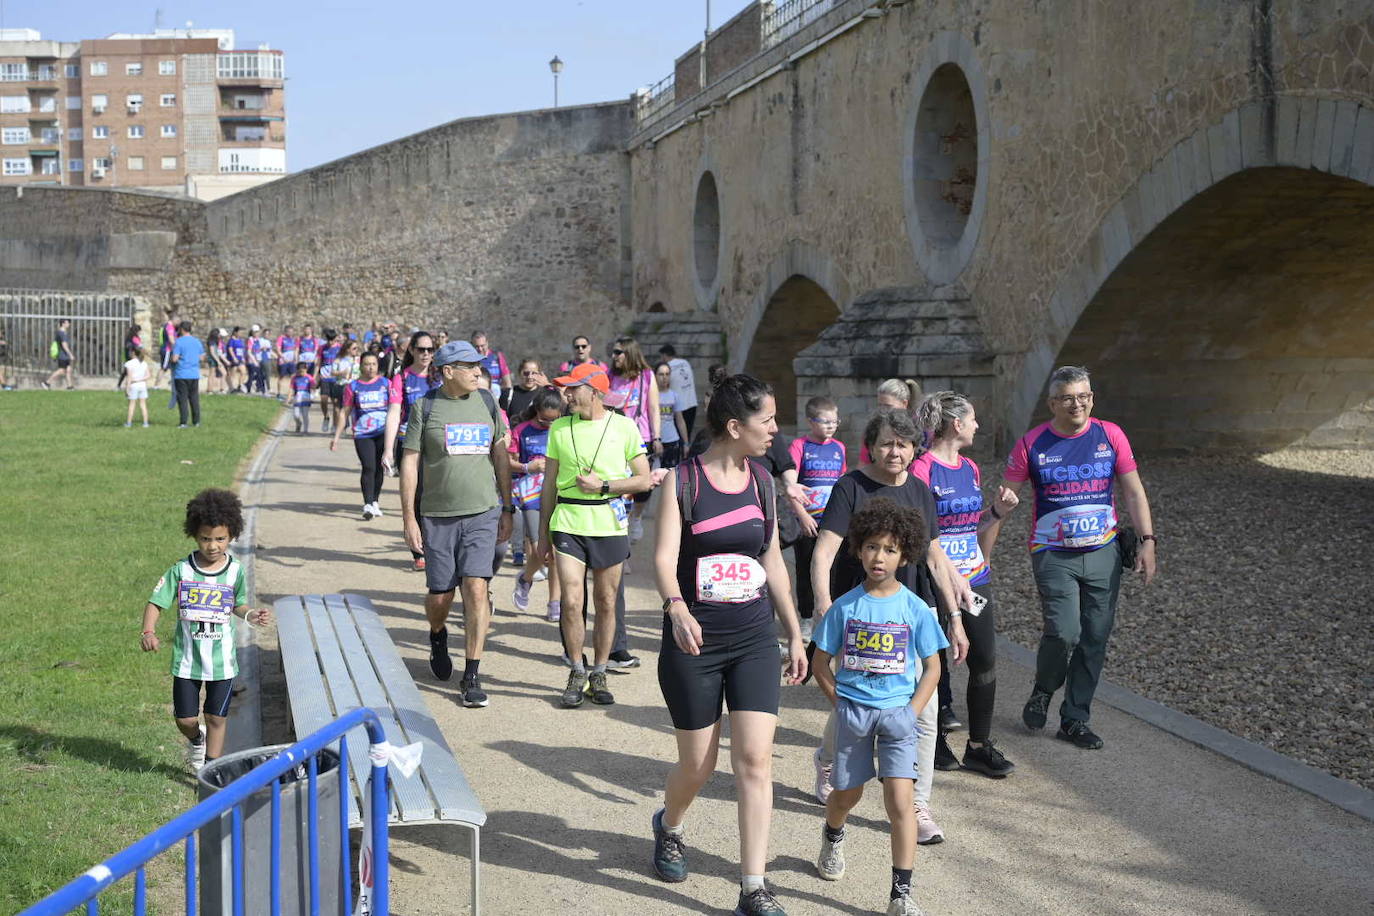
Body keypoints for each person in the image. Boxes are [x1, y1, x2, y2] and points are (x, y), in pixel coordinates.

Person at [649, 373, 806, 916]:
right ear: (735, 426)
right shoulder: (683, 481)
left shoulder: (763, 481)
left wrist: (794, 632)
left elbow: (772, 561)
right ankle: (669, 825)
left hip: (754, 636)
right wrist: (675, 608)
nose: (775, 431)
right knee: (698, 766)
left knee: (756, 761)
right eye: (767, 421)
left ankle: (753, 888)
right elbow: (665, 558)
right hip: (696, 640)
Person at [808, 408, 971, 845]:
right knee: (851, 700)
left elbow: (936, 559)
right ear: (871, 446)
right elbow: (824, 552)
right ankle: (827, 758)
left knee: (924, 712)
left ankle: (917, 803)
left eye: (902, 444)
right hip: (858, 616)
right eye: (886, 443)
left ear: (914, 447)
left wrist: (954, 618)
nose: (894, 452)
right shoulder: (850, 487)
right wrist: (823, 606)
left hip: (913, 615)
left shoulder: (920, 491)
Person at [997, 366, 1157, 750]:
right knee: (1064, 631)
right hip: (1053, 553)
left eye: (1083, 395)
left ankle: (1075, 719)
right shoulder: (1032, 443)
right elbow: (1003, 502)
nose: (1077, 403)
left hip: (1103, 552)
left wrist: (1148, 540)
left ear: (1092, 398)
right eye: (1068, 397)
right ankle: (1043, 689)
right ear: (1053, 403)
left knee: (1095, 638)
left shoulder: (1110, 435)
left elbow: (1133, 492)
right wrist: (979, 547)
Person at [811, 499, 947, 916]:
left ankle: (900, 894)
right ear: (858, 549)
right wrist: (842, 704)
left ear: (905, 554)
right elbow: (820, 664)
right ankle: (833, 835)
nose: (879, 557)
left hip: (898, 717)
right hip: (854, 713)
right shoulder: (845, 607)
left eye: (889, 549)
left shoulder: (915, 609)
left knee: (900, 802)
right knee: (846, 796)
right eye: (871, 546)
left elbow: (932, 668)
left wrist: (911, 711)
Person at [400, 340, 514, 710]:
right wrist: (408, 519)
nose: (478, 372)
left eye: (479, 366)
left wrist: (508, 506)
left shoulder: (487, 402)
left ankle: (472, 674)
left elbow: (500, 454)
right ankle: (437, 633)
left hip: (482, 512)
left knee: (477, 590)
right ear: (448, 371)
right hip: (437, 516)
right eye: (470, 367)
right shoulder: (425, 407)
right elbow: (410, 464)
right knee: (440, 597)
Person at [912, 391, 1020, 778]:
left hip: (974, 579)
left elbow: (970, 527)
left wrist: (997, 513)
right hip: (936, 580)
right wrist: (949, 576)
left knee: (984, 660)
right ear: (957, 424)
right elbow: (922, 536)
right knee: (935, 662)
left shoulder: (970, 468)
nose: (977, 426)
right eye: (973, 419)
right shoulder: (922, 468)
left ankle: (979, 746)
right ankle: (934, 740)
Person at [538, 362, 652, 707]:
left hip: (608, 523)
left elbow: (644, 480)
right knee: (572, 601)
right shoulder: (559, 428)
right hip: (568, 520)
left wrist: (603, 485)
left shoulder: (625, 426)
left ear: (595, 392)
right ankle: (576, 669)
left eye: (573, 388)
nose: (566, 394)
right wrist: (543, 536)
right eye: (566, 388)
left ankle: (599, 671)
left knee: (605, 601)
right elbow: (547, 485)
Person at [140, 488, 273, 772]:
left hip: (222, 662)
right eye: (205, 538)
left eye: (220, 539)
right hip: (187, 661)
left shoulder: (235, 571)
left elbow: (237, 605)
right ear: (194, 535)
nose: (213, 546)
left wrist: (251, 614)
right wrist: (148, 632)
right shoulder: (181, 571)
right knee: (185, 720)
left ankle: (210, 771)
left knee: (216, 717)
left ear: (232, 535)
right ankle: (196, 739)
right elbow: (156, 602)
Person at [789, 396, 847, 643]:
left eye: (835, 422)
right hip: (807, 522)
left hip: (832, 522)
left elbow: (843, 484)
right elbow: (789, 485)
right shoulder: (800, 446)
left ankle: (828, 617)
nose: (831, 426)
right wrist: (801, 515)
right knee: (805, 570)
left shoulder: (839, 448)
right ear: (810, 422)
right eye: (825, 422)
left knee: (833, 570)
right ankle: (805, 619)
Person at [382, 331, 441, 570]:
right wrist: (388, 449)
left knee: (436, 496)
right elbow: (395, 413)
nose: (425, 354)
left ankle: (436, 546)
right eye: (421, 349)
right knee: (416, 497)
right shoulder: (402, 378)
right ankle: (419, 550)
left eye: (430, 350)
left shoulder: (441, 376)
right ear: (412, 351)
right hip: (410, 444)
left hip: (437, 444)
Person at [510, 386, 565, 621]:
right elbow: (507, 462)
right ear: (536, 411)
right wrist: (527, 467)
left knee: (555, 551)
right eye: (544, 420)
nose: (549, 425)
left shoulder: (564, 430)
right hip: (531, 495)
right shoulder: (522, 430)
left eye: (555, 420)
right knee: (539, 550)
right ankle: (526, 578)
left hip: (559, 492)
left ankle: (554, 602)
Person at [609, 336, 661, 542]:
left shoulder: (646, 376)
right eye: (613, 352)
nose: (614, 357)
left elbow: (654, 407)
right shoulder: (611, 375)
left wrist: (657, 437)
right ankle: (622, 531)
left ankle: (636, 516)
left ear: (629, 353)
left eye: (617, 352)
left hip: (641, 436)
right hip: (615, 437)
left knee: (643, 484)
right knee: (620, 484)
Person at [331, 351, 389, 519]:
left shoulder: (386, 383)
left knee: (379, 467)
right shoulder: (353, 387)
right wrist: (336, 437)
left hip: (383, 432)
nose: (370, 368)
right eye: (367, 364)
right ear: (361, 366)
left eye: (373, 364)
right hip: (363, 433)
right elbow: (345, 412)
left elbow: (395, 409)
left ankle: (375, 501)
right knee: (368, 466)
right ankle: (368, 504)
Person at [858, 379, 922, 466]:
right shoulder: (874, 430)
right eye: (880, 406)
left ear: (904, 404)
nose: (883, 411)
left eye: (888, 406)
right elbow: (863, 464)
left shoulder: (917, 431)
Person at [658, 344, 700, 435]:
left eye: (661, 357)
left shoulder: (666, 367)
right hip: (692, 403)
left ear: (664, 355)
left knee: (679, 434)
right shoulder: (685, 362)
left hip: (679, 407)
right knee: (687, 434)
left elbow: (665, 385)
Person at [170, 320, 205, 428]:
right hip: (194, 373)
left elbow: (175, 359)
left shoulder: (179, 342)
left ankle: (184, 421)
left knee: (183, 398)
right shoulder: (197, 341)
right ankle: (196, 421)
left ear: (181, 329)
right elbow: (202, 357)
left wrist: (174, 358)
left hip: (181, 373)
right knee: (194, 398)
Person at [654, 362, 689, 470]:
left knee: (670, 476)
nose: (664, 377)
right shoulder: (650, 396)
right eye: (661, 374)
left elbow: (680, 420)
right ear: (655, 375)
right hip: (655, 442)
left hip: (672, 441)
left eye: (667, 374)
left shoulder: (674, 396)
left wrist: (686, 443)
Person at [471, 330, 509, 400]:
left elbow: (507, 382)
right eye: (476, 346)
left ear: (487, 343)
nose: (480, 349)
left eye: (482, 346)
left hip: (496, 397)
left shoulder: (497, 356)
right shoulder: (469, 360)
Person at [121, 345, 152, 428]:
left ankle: (129, 423)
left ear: (133, 353)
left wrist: (127, 388)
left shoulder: (129, 363)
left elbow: (129, 377)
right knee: (143, 404)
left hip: (133, 386)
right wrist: (140, 380)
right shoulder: (144, 363)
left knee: (132, 404)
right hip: (142, 385)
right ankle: (145, 423)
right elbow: (148, 375)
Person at [42, 318, 75, 390]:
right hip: (62, 356)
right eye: (67, 323)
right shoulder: (62, 333)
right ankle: (47, 383)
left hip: (64, 355)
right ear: (63, 324)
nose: (69, 324)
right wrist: (70, 354)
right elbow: (64, 345)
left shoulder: (62, 332)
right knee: (61, 370)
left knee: (68, 370)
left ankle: (70, 387)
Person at [287, 361, 316, 434]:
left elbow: (313, 388)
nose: (301, 373)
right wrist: (289, 398)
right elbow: (291, 388)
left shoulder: (309, 378)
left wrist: (312, 395)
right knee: (296, 415)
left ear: (306, 370)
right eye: (299, 371)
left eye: (303, 371)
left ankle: (305, 430)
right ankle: (298, 423)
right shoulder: (294, 378)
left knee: (305, 415)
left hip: (306, 398)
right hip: (297, 398)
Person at [154, 308, 177, 389]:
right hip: (167, 350)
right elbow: (171, 339)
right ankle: (156, 385)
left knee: (173, 366)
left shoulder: (164, 326)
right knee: (164, 368)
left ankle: (172, 381)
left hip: (165, 349)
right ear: (173, 319)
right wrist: (178, 347)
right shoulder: (170, 327)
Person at [115, 324, 143, 390]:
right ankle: (129, 385)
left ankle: (120, 385)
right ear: (137, 331)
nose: (140, 332)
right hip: (133, 356)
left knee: (126, 371)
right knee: (130, 371)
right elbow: (140, 346)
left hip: (127, 355)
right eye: (139, 331)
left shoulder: (128, 337)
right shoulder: (135, 337)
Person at [275, 325, 298, 398]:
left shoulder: (294, 339)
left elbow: (295, 350)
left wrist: (296, 359)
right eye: (289, 331)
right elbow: (278, 349)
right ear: (285, 331)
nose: (290, 333)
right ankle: (279, 393)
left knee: (293, 377)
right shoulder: (281, 338)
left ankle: (293, 393)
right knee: (281, 377)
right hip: (283, 361)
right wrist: (283, 358)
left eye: (292, 331)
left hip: (291, 361)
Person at [225, 327, 247, 394]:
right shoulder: (231, 340)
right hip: (233, 360)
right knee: (232, 374)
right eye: (239, 332)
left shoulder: (240, 340)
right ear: (235, 332)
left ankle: (240, 386)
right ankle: (231, 388)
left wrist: (243, 357)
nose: (241, 334)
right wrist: (234, 357)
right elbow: (230, 349)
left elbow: (242, 349)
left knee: (244, 372)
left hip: (240, 359)